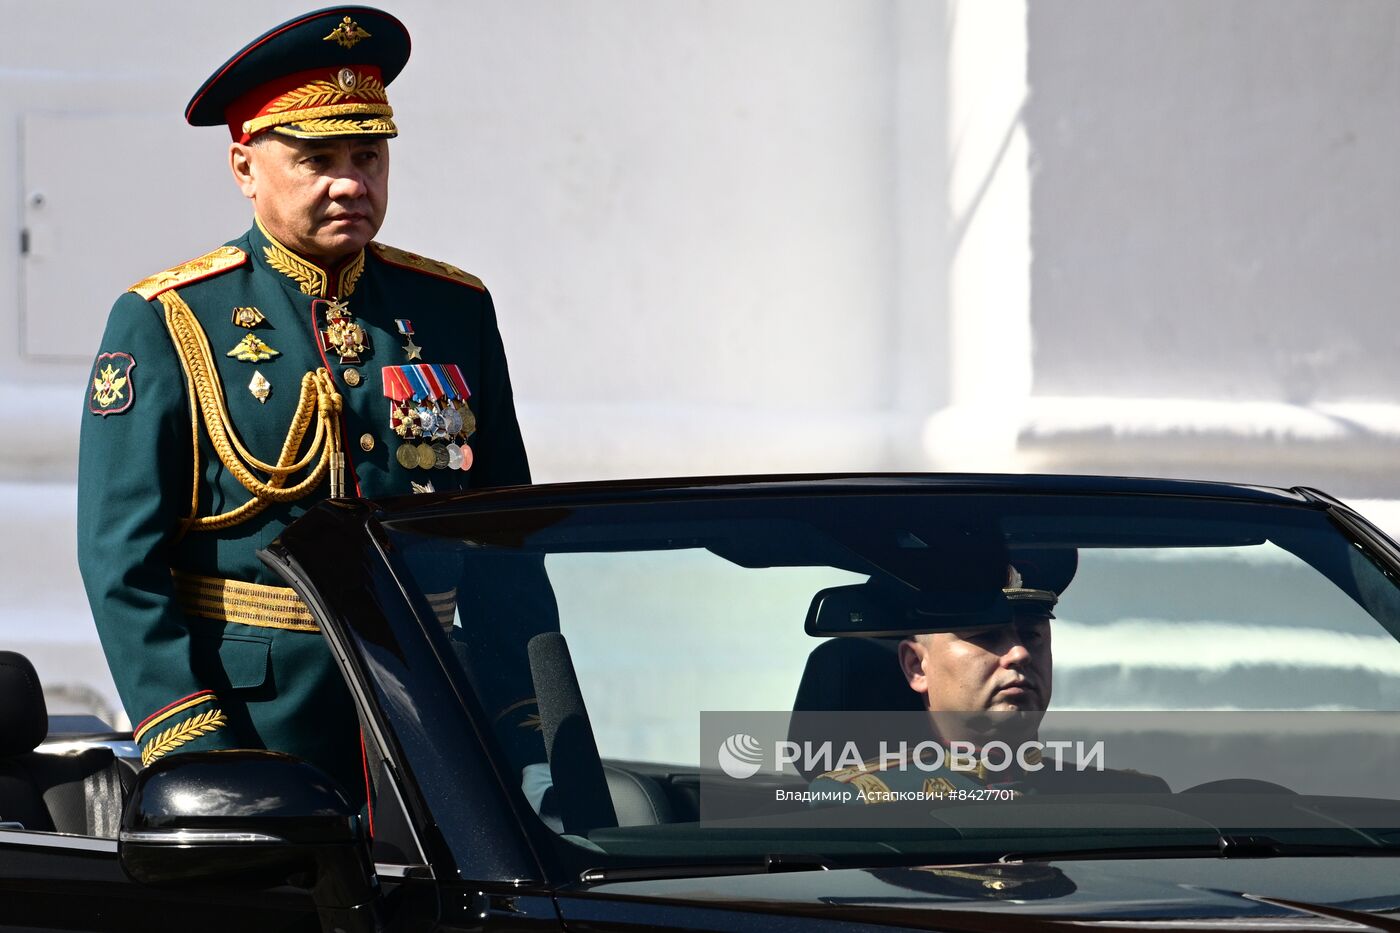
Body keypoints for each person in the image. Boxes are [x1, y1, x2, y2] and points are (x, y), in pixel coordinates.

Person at [76, 7, 535, 801]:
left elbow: (506, 540)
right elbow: (121, 563)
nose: (352, 183)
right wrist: (195, 745)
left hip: (435, 732)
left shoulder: (453, 309)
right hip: (257, 732)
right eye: (318, 158)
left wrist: (528, 725)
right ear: (244, 167)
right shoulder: (169, 318)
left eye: (369, 155)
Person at [810, 553, 1168, 800]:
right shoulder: (856, 802)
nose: (1020, 653)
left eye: (1032, 636)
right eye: (985, 635)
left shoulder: (1133, 802)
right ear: (917, 667)